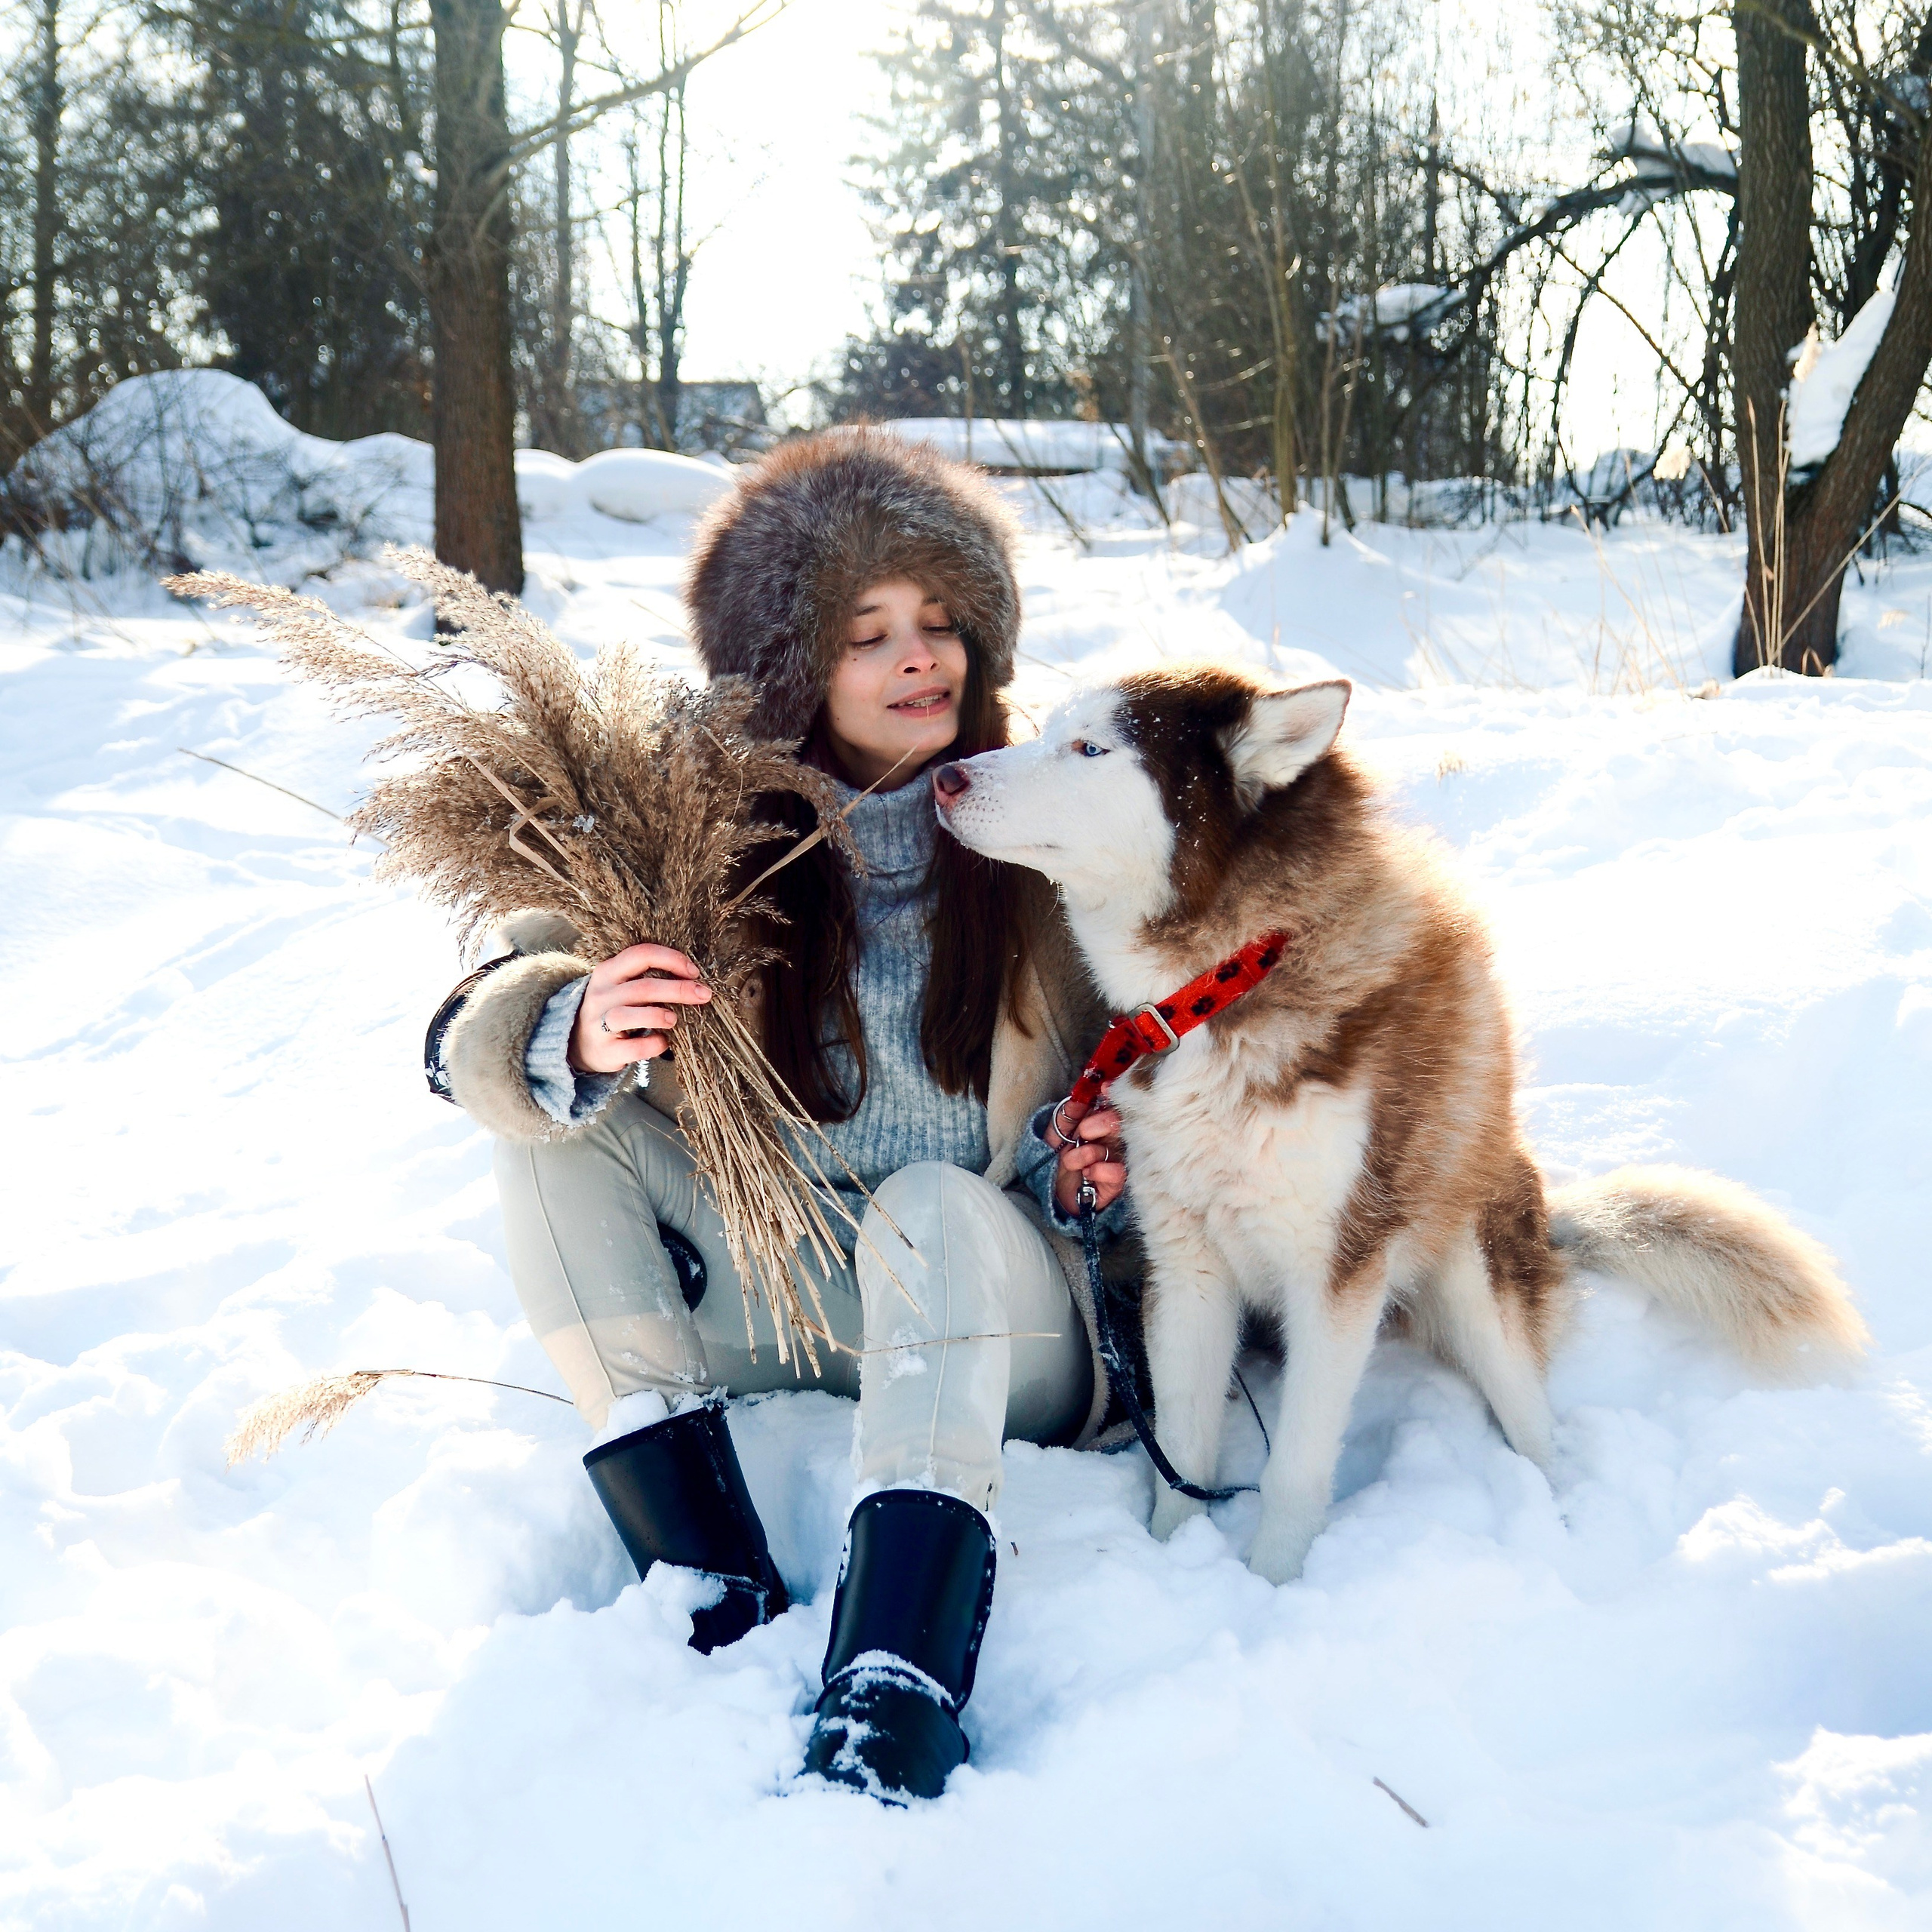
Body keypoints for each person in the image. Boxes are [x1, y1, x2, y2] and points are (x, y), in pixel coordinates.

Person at [427, 430, 1133, 1802]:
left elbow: (1164, 1074)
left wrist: (1105, 1166)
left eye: (940, 623)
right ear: (790, 669)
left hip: (998, 1324)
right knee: (558, 1131)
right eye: (867, 634)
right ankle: (708, 1587)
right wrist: (570, 1024)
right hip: (788, 1296)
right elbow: (475, 1030)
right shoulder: (692, 838)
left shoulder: (1050, 828)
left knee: (934, 1210)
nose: (918, 656)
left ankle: (895, 1684)